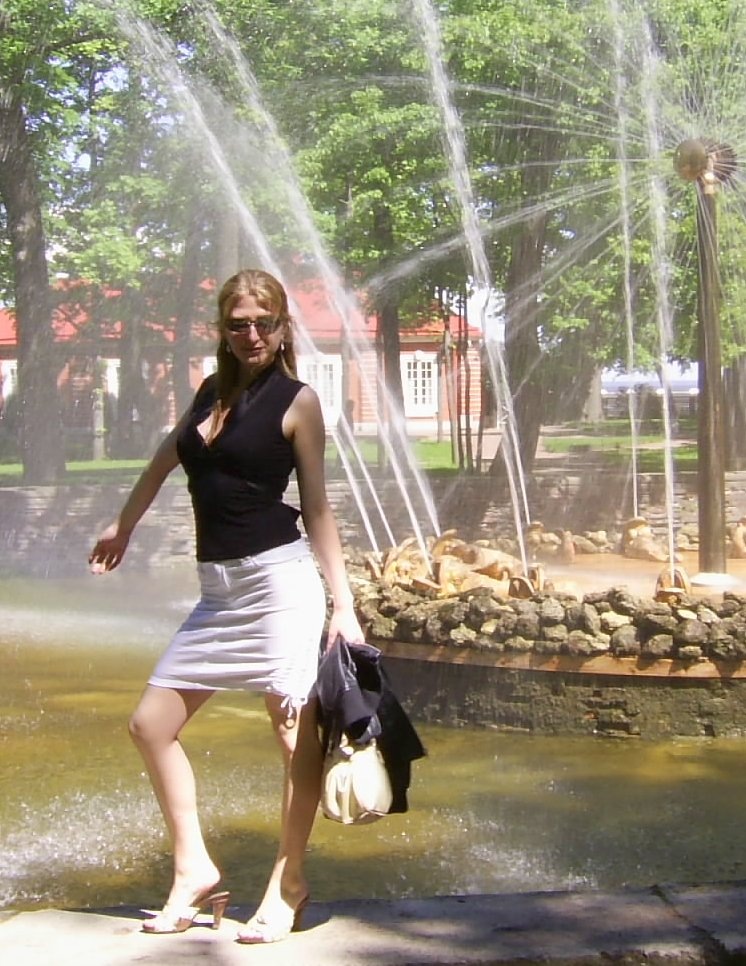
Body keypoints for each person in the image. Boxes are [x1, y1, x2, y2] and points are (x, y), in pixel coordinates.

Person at [89, 268, 364, 944]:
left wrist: (343, 604)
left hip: (279, 586)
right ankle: (194, 869)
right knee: (150, 725)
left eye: (264, 323)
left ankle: (288, 881)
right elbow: (165, 460)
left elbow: (318, 508)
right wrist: (123, 525)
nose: (252, 334)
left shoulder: (298, 402)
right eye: (239, 323)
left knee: (292, 733)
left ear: (282, 327)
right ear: (223, 328)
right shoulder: (211, 391)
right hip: (219, 594)